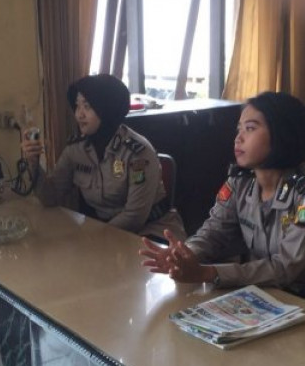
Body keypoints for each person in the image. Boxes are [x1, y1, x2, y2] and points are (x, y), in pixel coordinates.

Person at [140, 91, 305, 326]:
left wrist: (208, 273)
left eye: (250, 128)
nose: (238, 138)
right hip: (277, 295)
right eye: (239, 129)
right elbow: (214, 233)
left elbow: (284, 267)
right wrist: (185, 255)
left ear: (281, 134)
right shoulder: (240, 181)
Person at [20, 74, 186, 241]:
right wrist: (33, 162)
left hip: (153, 231)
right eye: (77, 106)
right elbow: (50, 197)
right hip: (104, 232)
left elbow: (134, 216)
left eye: (87, 106)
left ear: (106, 108)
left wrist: (93, 237)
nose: (79, 115)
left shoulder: (137, 153)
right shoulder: (76, 150)